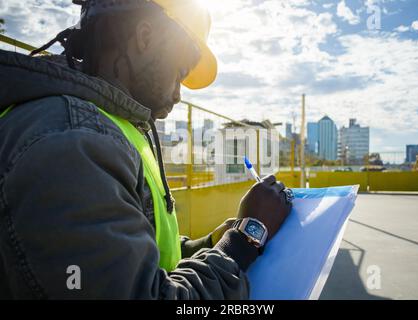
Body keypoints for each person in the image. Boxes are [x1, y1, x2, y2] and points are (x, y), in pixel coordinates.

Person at [0, 0, 291, 299]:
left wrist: (211, 243)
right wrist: (244, 239)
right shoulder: (73, 142)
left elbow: (142, 252)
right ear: (145, 37)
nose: (178, 93)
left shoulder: (111, 128)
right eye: (179, 72)